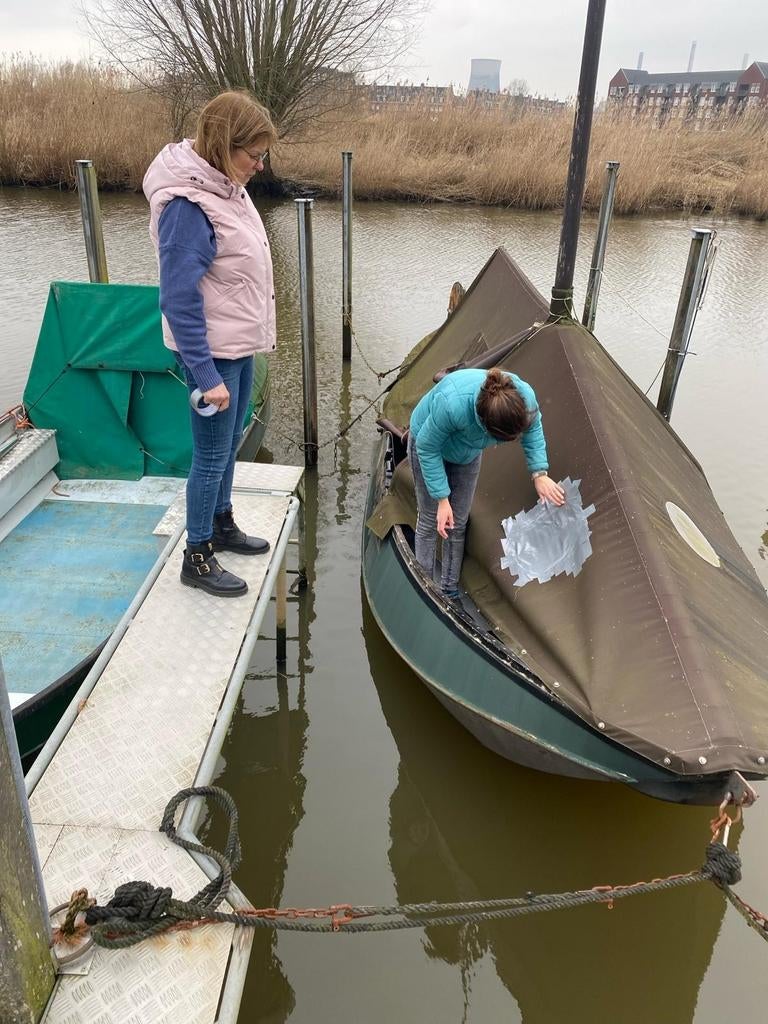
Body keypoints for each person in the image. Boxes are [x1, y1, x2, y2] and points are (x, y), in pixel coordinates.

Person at [143, 90, 278, 597]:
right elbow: (177, 298)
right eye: (254, 154)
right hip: (212, 352)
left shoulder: (225, 188)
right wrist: (204, 374)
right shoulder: (187, 205)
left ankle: (221, 524)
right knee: (210, 454)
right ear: (225, 144)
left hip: (237, 345)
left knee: (230, 444)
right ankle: (196, 557)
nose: (260, 166)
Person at [408, 366, 565, 599]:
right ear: (484, 424)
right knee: (432, 520)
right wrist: (442, 498)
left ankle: (449, 591)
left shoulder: (525, 397)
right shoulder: (452, 404)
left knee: (457, 523)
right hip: (429, 445)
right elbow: (427, 447)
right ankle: (424, 590)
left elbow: (533, 427)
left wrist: (539, 473)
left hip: (468, 452)